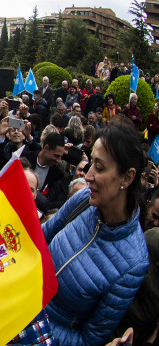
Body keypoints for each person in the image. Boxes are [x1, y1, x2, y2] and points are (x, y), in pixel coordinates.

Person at [41, 122, 149, 345]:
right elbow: (41, 237)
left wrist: (34, 322)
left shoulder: (133, 263)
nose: (88, 176)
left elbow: (88, 340)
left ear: (127, 178)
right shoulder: (84, 200)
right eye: (90, 164)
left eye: (99, 168)